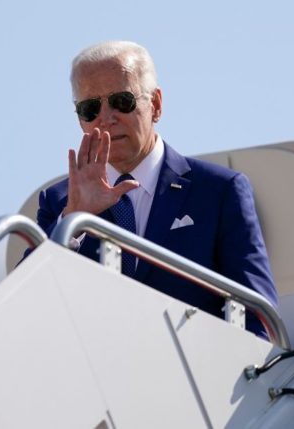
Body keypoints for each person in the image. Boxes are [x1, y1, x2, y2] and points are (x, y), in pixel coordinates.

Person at [32, 41, 277, 338]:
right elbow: (26, 304)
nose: (107, 118)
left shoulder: (218, 192)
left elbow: (259, 321)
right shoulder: (60, 202)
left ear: (156, 105)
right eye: (90, 108)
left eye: (122, 101)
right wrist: (74, 220)